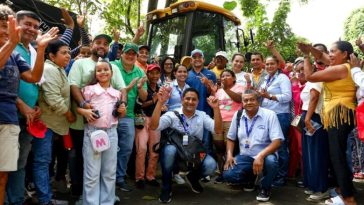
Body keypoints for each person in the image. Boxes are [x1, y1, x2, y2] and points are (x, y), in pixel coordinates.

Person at [0, 6, 58, 204]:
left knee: (15, 165)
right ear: (14, 25)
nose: (33, 29)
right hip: (14, 112)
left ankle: (15, 200)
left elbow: (34, 78)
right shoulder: (10, 44)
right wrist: (20, 104)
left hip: (20, 118)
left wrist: (41, 48)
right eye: (28, 25)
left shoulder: (27, 50)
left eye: (36, 26)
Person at [68, 34, 126, 199]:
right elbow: (73, 86)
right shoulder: (81, 65)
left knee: (108, 171)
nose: (102, 46)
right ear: (92, 43)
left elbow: (122, 90)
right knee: (89, 169)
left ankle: (106, 200)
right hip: (88, 127)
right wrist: (83, 106)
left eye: (106, 44)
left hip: (111, 130)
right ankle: (88, 200)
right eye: (98, 42)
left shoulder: (113, 69)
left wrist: (123, 106)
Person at [299, 41, 357, 205]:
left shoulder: (340, 68)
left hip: (340, 113)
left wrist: (305, 56)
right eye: (329, 52)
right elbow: (321, 56)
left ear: (344, 54)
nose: (329, 55)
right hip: (339, 113)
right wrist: (310, 50)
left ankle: (348, 198)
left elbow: (309, 76)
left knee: (337, 157)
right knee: (337, 155)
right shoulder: (342, 65)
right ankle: (343, 190)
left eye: (333, 51)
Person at [150, 87, 222, 203]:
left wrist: (216, 109)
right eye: (187, 98)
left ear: (198, 102)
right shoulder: (172, 114)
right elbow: (153, 126)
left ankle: (193, 177)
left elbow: (218, 130)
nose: (190, 102)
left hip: (194, 154)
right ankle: (166, 186)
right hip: (176, 154)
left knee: (211, 165)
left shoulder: (202, 115)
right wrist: (160, 103)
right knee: (169, 151)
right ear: (182, 99)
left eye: (194, 99)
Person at [222, 89, 284, 202]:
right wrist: (229, 155)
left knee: (271, 162)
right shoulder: (238, 115)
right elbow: (231, 138)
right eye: (246, 100)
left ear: (258, 101)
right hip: (246, 156)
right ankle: (250, 179)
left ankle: (265, 188)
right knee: (228, 174)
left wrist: (260, 156)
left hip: (266, 155)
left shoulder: (270, 115)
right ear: (242, 102)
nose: (249, 102)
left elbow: (277, 141)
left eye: (252, 99)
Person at [36, 39, 76, 204]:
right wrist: (69, 114)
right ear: (52, 56)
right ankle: (45, 200)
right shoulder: (49, 69)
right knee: (42, 161)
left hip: (55, 125)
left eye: (69, 52)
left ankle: (46, 197)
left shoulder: (59, 69)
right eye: (64, 52)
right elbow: (53, 99)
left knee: (46, 161)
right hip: (46, 124)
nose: (68, 55)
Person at [111, 42, 147, 192]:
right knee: (108, 149)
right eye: (128, 53)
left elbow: (144, 98)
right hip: (110, 115)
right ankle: (107, 178)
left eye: (134, 54)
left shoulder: (140, 72)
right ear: (122, 53)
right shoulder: (112, 66)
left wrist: (139, 88)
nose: (130, 56)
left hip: (129, 115)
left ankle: (119, 178)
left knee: (126, 148)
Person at [299, 54, 329, 201]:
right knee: (309, 153)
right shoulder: (312, 78)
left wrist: (308, 118)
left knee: (316, 154)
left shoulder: (319, 76)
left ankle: (321, 188)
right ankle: (312, 184)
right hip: (308, 116)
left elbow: (314, 97)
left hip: (314, 117)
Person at [258, 55, 292, 187]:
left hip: (280, 115)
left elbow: (287, 97)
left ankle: (281, 177)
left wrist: (270, 96)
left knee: (281, 147)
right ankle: (271, 174)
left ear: (278, 65)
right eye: (267, 64)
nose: (269, 66)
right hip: (268, 115)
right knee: (269, 146)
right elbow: (263, 96)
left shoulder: (283, 78)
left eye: (272, 64)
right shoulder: (266, 78)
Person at [134, 64, 166, 189]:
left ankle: (150, 176)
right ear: (147, 74)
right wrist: (153, 100)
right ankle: (139, 178)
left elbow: (161, 104)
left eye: (157, 73)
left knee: (154, 150)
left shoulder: (160, 88)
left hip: (155, 121)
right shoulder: (143, 87)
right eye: (152, 73)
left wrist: (162, 106)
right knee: (141, 149)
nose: (154, 75)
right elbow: (139, 105)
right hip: (142, 120)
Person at [211, 69, 244, 182]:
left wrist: (226, 89)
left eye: (228, 75)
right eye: (223, 76)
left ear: (234, 78)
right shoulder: (219, 91)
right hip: (218, 121)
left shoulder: (239, 87)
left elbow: (239, 99)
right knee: (219, 148)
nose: (224, 77)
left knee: (229, 149)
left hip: (232, 121)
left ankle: (230, 173)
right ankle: (221, 174)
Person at [186, 49, 217, 155]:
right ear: (191, 60)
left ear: (203, 59)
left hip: (206, 112)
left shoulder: (210, 74)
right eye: (194, 57)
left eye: (200, 57)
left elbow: (213, 94)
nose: (197, 59)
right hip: (189, 113)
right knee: (189, 142)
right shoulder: (186, 74)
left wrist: (208, 84)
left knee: (206, 142)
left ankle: (208, 168)